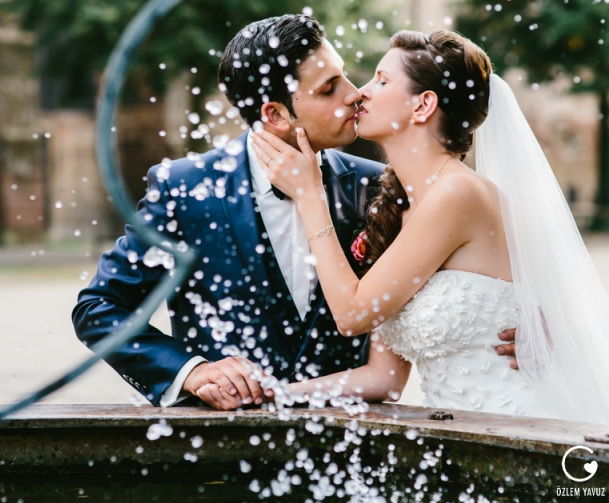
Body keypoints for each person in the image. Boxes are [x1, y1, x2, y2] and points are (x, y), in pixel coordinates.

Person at [73, 16, 518, 411]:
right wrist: (190, 371)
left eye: (346, 77)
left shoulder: (378, 186)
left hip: (352, 464)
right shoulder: (185, 189)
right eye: (329, 88)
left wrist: (536, 333)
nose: (355, 95)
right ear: (276, 114)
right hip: (221, 460)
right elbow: (100, 308)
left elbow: (495, 279)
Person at [252, 30, 609, 425]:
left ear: (423, 105)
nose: (362, 92)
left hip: (510, 425)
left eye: (382, 80)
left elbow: (354, 314)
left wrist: (310, 198)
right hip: (454, 439)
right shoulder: (395, 207)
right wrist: (277, 393)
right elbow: (385, 377)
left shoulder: (459, 192)